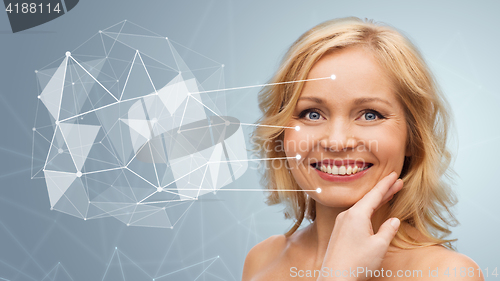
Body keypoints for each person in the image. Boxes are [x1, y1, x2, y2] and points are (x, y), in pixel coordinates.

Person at [243, 17, 483, 281]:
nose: (336, 142)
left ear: (413, 139)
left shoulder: (447, 274)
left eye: (370, 115)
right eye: (312, 114)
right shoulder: (262, 260)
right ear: (282, 133)